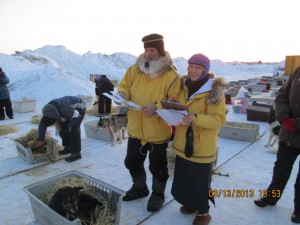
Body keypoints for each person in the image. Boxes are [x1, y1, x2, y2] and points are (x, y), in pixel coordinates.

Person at [117, 33, 181, 212]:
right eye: (146, 49)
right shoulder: (134, 69)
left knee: (157, 167)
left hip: (157, 131)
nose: (148, 53)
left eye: (152, 49)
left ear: (160, 50)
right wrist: (121, 94)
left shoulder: (171, 74)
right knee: (131, 161)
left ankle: (158, 194)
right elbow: (124, 85)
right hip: (136, 128)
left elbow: (175, 100)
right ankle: (140, 188)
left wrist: (156, 106)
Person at [171, 53, 226, 225]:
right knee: (184, 177)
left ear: (205, 70)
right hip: (182, 141)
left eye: (198, 68)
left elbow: (219, 120)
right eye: (191, 67)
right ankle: (190, 202)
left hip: (201, 145)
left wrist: (195, 118)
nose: (193, 71)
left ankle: (203, 212)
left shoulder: (214, 92)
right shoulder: (182, 86)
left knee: (199, 181)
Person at [254, 66, 300, 224]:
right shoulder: (297, 71)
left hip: (294, 127)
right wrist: (284, 118)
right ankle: (271, 197)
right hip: (289, 133)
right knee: (281, 168)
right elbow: (281, 97)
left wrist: (297, 123)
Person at [35, 96, 86, 162]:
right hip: (66, 110)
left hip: (80, 109)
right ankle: (68, 147)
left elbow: (77, 116)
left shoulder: (65, 110)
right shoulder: (48, 110)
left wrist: (67, 126)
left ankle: (76, 153)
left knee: (74, 129)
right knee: (62, 127)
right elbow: (42, 125)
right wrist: (40, 140)